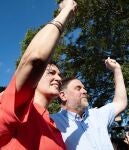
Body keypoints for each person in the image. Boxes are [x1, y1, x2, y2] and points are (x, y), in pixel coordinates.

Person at [0, 0, 77, 149]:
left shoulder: (54, 127)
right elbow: (36, 58)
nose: (59, 78)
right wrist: (66, 10)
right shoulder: (16, 105)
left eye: (59, 74)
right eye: (51, 73)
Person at [51, 57, 128, 150]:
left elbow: (121, 102)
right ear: (63, 96)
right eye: (78, 88)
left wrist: (117, 70)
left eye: (84, 88)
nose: (85, 91)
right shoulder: (52, 122)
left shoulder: (98, 115)